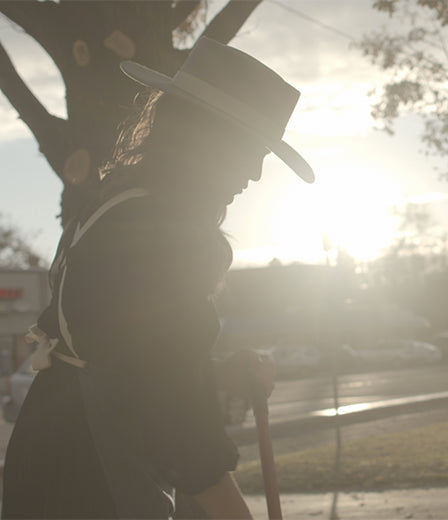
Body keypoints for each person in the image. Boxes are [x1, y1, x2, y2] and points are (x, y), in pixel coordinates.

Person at [1, 36, 314, 519]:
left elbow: (123, 358)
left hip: (49, 467)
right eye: (251, 150)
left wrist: (216, 374)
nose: (254, 174)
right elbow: (171, 410)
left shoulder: (116, 209)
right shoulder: (168, 237)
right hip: (88, 485)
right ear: (207, 138)